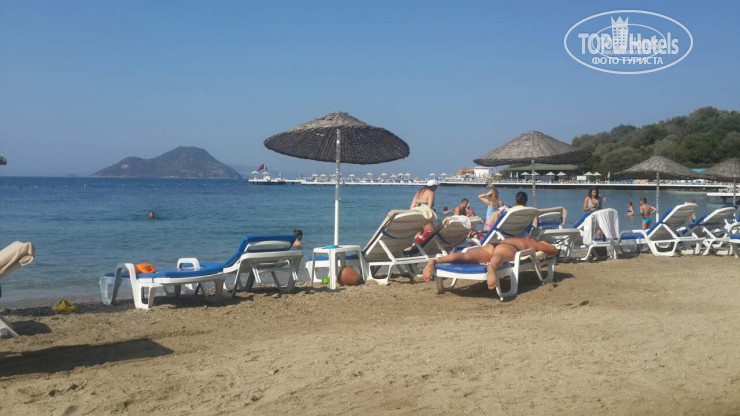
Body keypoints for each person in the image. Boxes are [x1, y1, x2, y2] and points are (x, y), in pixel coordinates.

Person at [422, 236, 557, 290]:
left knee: (466, 256)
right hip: (509, 247)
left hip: (492, 245)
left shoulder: (516, 238)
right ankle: (491, 266)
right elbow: (552, 250)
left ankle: (435, 261)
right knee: (500, 256)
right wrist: (542, 244)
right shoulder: (531, 242)